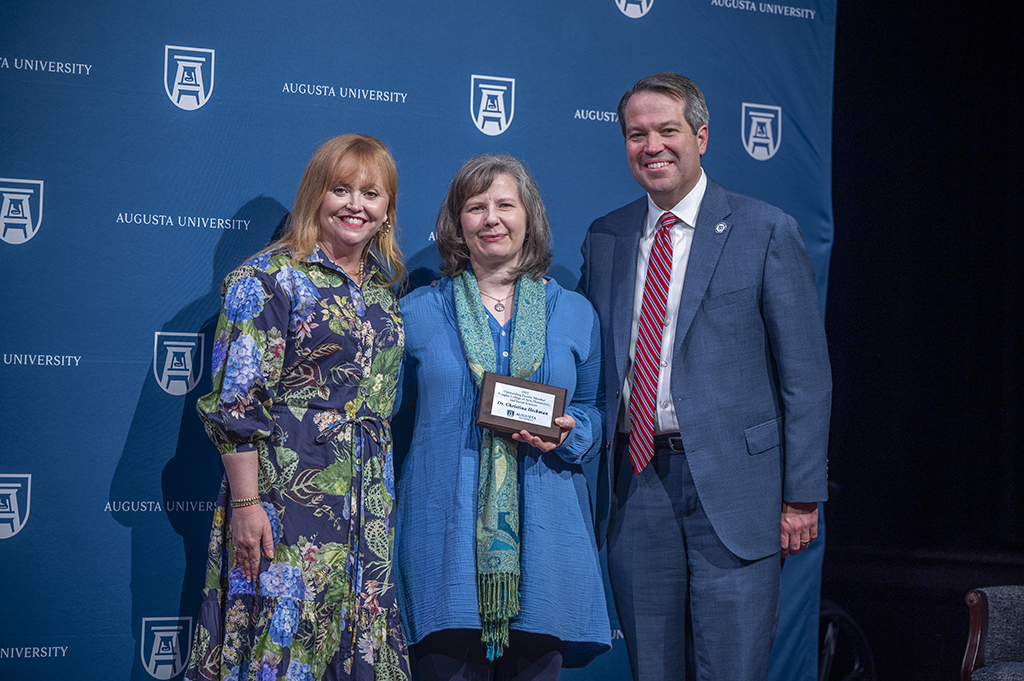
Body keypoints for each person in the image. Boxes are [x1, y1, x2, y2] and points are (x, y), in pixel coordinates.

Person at [577, 73, 832, 680]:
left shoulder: (765, 229)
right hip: (637, 485)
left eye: (668, 130)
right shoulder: (605, 237)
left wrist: (800, 495)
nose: (652, 145)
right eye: (637, 135)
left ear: (702, 136)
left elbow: (807, 376)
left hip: (738, 490)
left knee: (732, 670)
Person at [185, 134, 411, 681]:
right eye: (341, 189)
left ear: (387, 212)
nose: (355, 205)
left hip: (366, 504)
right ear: (315, 194)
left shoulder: (383, 291)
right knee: (282, 637)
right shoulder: (264, 280)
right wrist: (246, 504)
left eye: (371, 194)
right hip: (286, 498)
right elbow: (237, 404)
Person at [394, 154, 610, 680]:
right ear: (457, 223)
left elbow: (597, 409)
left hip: (547, 540)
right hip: (442, 541)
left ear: (528, 216)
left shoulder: (575, 312)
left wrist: (571, 432)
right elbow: (383, 420)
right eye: (476, 207)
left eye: (505, 204)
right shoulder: (416, 311)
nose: (491, 218)